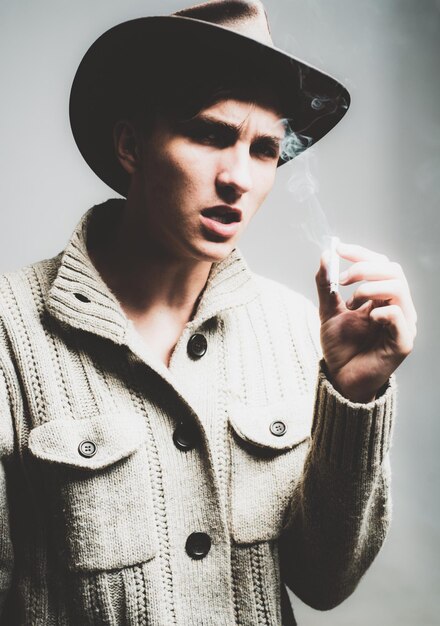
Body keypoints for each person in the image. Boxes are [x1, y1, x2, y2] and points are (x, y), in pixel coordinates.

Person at [0, 1, 417, 624]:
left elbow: (325, 580)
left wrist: (354, 394)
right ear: (131, 145)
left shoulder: (298, 331)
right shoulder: (11, 331)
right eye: (210, 134)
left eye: (264, 149)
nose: (237, 178)